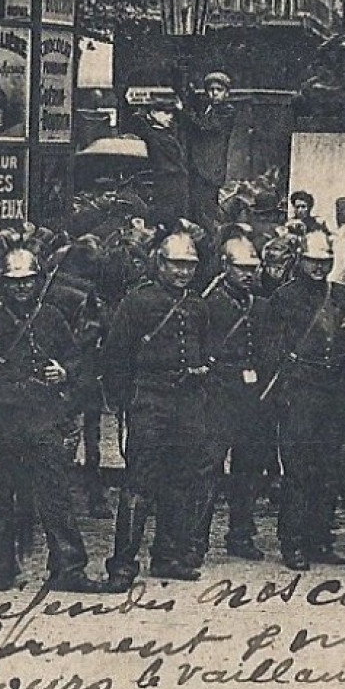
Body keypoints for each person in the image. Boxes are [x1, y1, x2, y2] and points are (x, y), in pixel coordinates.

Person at [0, 247, 107, 594]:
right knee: (0, 502)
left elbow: (77, 360)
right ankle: (0, 571)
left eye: (28, 281)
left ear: (38, 282)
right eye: (14, 282)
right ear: (3, 285)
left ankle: (68, 567)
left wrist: (64, 373)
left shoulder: (52, 319)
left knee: (56, 498)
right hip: (3, 423)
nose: (21, 289)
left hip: (43, 420)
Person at [97, 232, 211, 587]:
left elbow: (203, 348)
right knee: (139, 484)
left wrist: (200, 372)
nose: (183, 272)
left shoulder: (197, 305)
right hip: (149, 401)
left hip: (187, 402)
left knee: (180, 482)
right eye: (176, 264)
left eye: (189, 266)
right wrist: (123, 401)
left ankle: (167, 556)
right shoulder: (138, 302)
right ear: (160, 264)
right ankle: (123, 565)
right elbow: (115, 356)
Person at [265, 230, 345, 570]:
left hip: (332, 393)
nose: (318, 267)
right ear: (300, 261)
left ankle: (320, 540)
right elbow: (271, 349)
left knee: (328, 470)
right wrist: (283, 394)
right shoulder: (283, 298)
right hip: (299, 392)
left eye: (323, 261)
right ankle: (293, 544)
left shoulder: (341, 295)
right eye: (312, 260)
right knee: (298, 471)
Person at [194, 235, 271, 564]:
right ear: (225, 267)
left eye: (252, 268)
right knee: (209, 466)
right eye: (241, 268)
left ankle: (241, 534)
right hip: (219, 393)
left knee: (249, 468)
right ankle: (196, 539)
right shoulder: (209, 304)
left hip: (252, 398)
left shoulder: (260, 304)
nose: (248, 274)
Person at [183, 71, 237, 232]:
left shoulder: (227, 111)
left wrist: (185, 112)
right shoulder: (208, 108)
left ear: (227, 93)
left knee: (206, 214)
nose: (213, 94)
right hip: (198, 168)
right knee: (195, 211)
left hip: (210, 172)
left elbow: (205, 127)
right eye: (211, 90)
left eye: (218, 90)